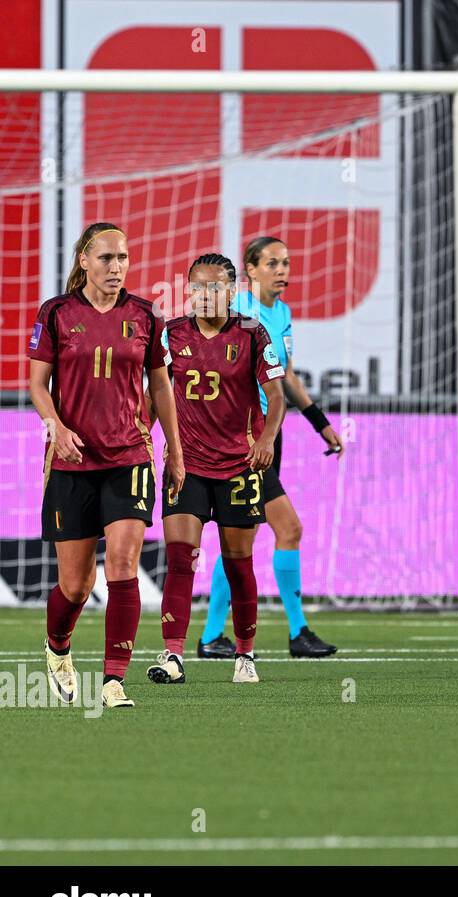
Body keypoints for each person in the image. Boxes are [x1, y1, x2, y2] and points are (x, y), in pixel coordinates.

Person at [27, 222, 184, 709]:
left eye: (123, 258)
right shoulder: (55, 313)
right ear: (83, 261)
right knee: (76, 585)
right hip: (72, 462)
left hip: (130, 456)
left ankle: (114, 679)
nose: (116, 268)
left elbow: (160, 385)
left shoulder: (144, 315)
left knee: (122, 564)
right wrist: (56, 426)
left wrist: (175, 451)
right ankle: (57, 648)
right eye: (106, 258)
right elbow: (37, 386)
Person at [197, 237, 342, 659]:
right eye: (273, 263)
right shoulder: (238, 313)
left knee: (242, 537)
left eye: (287, 262)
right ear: (250, 270)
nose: (283, 270)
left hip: (269, 435)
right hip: (244, 437)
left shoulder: (282, 314)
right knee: (287, 529)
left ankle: (210, 637)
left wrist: (320, 424)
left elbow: (287, 377)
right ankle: (297, 631)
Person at [149, 253, 287, 686]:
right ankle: (172, 655)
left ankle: (244, 655)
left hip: (238, 466)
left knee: (238, 562)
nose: (205, 296)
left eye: (215, 288)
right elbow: (155, 394)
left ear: (231, 291)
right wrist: (140, 437)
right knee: (180, 559)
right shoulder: (171, 334)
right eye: (197, 288)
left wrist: (265, 439)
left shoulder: (251, 332)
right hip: (185, 464)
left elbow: (277, 397)